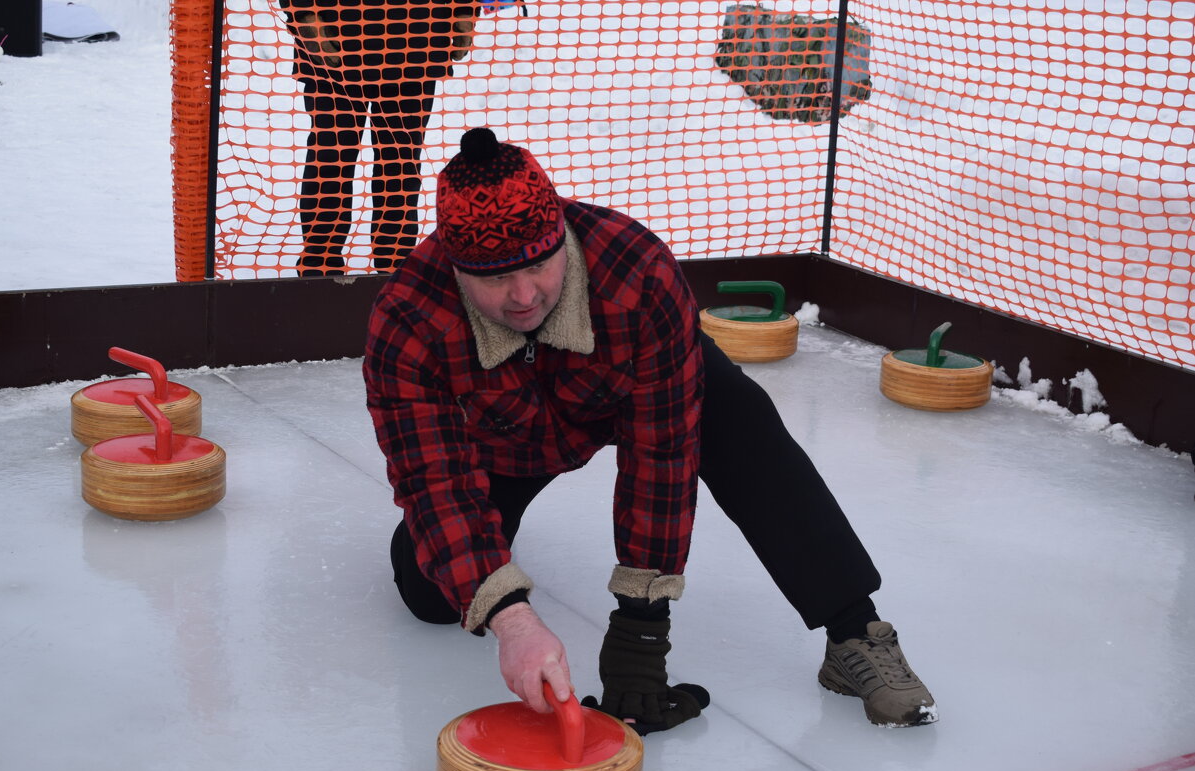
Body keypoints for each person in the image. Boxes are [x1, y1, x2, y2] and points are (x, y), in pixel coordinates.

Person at [363, 127, 937, 732]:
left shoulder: (635, 270)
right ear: (457, 271)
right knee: (431, 593)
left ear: (562, 235)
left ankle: (854, 629)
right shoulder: (407, 318)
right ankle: (487, 564)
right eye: (497, 278)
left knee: (738, 419)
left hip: (629, 395)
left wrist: (642, 627)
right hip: (505, 439)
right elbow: (432, 477)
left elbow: (660, 455)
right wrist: (510, 615)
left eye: (539, 264)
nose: (525, 295)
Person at [279, 0, 479, 275]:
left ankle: (396, 268)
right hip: (333, 37)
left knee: (400, 163)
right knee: (331, 159)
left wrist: (465, 9)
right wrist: (303, 13)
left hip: (414, 41)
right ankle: (319, 266)